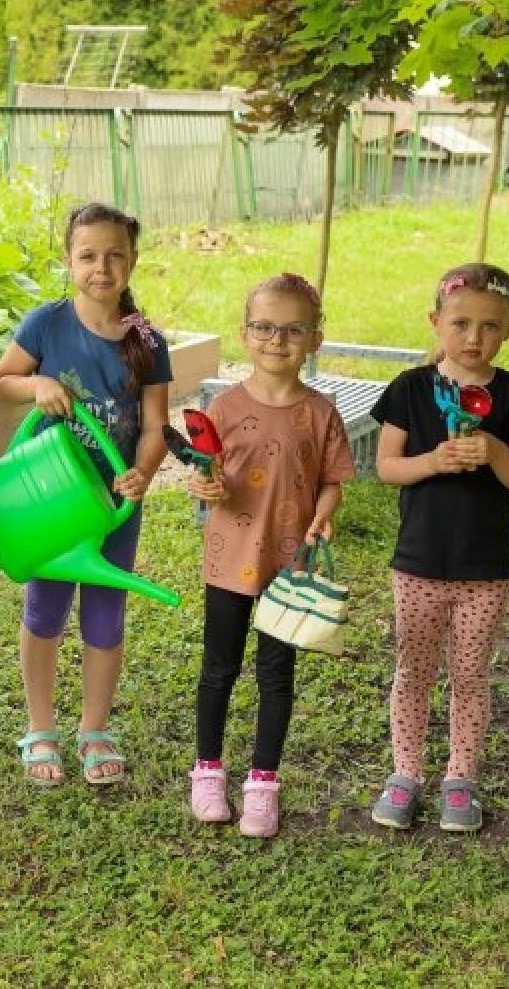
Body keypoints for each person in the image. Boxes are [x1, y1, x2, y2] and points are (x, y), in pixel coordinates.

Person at [0, 202, 172, 788]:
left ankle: (94, 727)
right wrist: (38, 381)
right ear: (68, 260)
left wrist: (141, 473)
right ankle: (40, 726)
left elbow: (155, 427)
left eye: (115, 255)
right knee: (45, 610)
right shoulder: (47, 323)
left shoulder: (146, 341)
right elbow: (2, 383)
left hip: (113, 506)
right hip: (52, 500)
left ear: (133, 261)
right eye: (88, 255)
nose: (102, 267)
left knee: (104, 612)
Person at [368, 263, 509, 833]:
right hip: (419, 563)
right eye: (461, 324)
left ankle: (460, 779)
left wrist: (495, 451)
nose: (474, 338)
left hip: (485, 568)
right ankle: (405, 775)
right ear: (436, 322)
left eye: (490, 327)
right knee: (414, 670)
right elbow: (386, 467)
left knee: (471, 674)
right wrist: (434, 461)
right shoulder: (410, 389)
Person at [184, 274, 354, 837]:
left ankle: (262, 783)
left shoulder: (321, 413)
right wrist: (205, 486)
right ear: (244, 333)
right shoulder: (225, 408)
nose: (276, 339)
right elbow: (208, 473)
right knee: (219, 669)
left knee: (276, 674)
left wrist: (325, 512)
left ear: (314, 338)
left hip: (290, 567)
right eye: (263, 327)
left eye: (292, 329)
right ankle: (207, 772)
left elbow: (332, 481)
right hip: (231, 559)